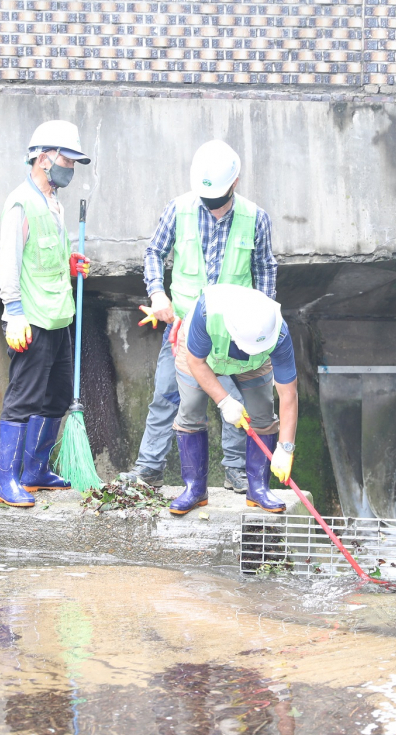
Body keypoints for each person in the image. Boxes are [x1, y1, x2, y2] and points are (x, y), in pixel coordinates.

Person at [117, 140, 279, 494]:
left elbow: (265, 267)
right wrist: (157, 293)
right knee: (166, 395)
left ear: (234, 183)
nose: (212, 204)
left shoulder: (255, 218)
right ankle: (149, 470)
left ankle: (237, 472)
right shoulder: (179, 209)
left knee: (236, 402)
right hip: (184, 329)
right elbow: (154, 252)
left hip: (236, 332)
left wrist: (262, 316)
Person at [0, 120, 93, 507]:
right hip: (30, 318)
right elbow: (9, 261)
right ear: (43, 157)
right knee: (24, 398)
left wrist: (68, 264)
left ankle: (35, 471)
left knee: (57, 396)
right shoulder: (21, 202)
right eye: (67, 160)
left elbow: (43, 254)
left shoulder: (53, 202)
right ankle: (7, 482)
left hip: (59, 316)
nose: (70, 168)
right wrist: (13, 310)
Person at [167, 284, 297, 516]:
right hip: (202, 356)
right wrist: (224, 401)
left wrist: (286, 448)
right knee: (190, 411)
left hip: (254, 364)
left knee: (263, 412)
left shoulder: (278, 332)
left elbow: (288, 394)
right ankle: (194, 489)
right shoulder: (207, 312)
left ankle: (258, 489)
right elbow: (196, 363)